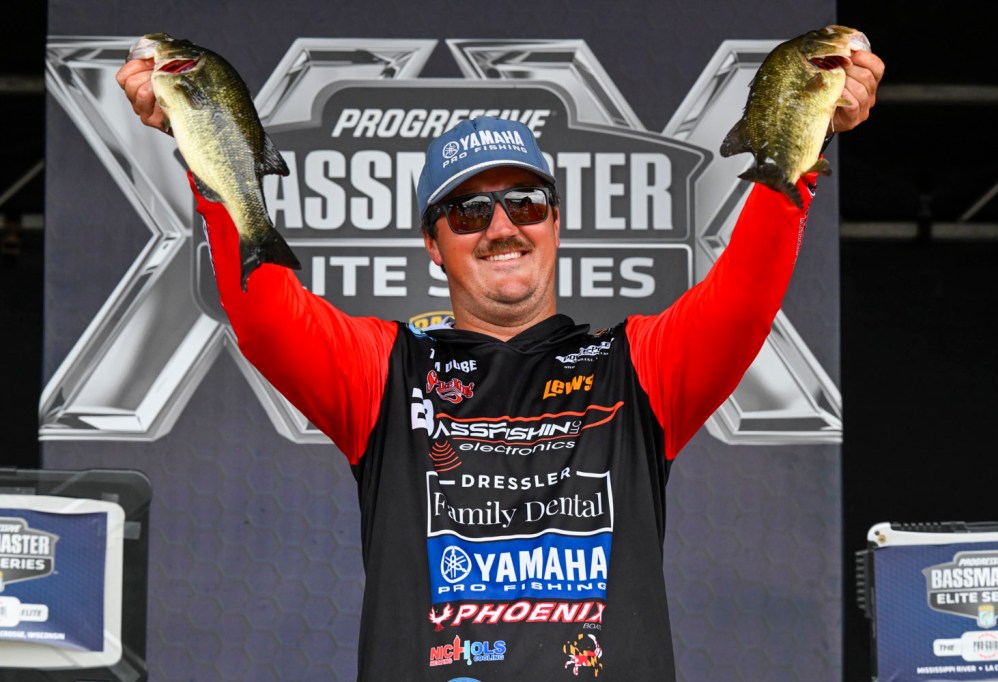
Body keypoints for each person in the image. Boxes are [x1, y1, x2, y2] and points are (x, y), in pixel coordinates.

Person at [117, 40, 884, 680]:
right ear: (433, 243)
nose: (501, 227)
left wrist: (805, 135)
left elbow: (745, 297)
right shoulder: (385, 371)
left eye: (525, 202)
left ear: (555, 223)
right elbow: (261, 312)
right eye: (468, 210)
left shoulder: (638, 365)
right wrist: (200, 135)